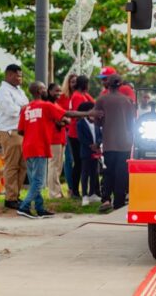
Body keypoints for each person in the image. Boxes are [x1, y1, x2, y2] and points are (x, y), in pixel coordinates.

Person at [16, 81, 96, 218]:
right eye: (44, 88)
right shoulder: (46, 105)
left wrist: (35, 130)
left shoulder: (26, 108)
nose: (46, 90)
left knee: (34, 180)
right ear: (39, 91)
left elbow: (20, 131)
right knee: (39, 182)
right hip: (39, 147)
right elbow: (68, 114)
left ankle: (39, 208)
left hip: (28, 147)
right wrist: (88, 112)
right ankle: (24, 207)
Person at [94, 74, 136, 212]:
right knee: (122, 173)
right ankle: (119, 202)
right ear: (121, 85)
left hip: (109, 142)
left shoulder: (101, 100)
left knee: (108, 172)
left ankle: (106, 199)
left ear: (108, 84)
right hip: (125, 142)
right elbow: (131, 122)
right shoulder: (127, 101)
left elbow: (97, 121)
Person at [0, 64, 29, 209]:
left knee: (22, 166)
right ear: (9, 75)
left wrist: (23, 108)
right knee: (12, 166)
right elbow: (12, 111)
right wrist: (24, 108)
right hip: (10, 131)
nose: (20, 79)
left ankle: (16, 195)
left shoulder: (19, 91)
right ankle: (10, 198)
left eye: (21, 76)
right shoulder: (3, 91)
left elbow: (25, 107)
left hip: (21, 131)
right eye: (17, 76)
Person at [67, 75, 94, 199]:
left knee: (81, 163)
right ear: (84, 84)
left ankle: (78, 190)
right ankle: (74, 190)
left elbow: (93, 103)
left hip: (78, 133)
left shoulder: (82, 95)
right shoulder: (77, 96)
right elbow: (79, 114)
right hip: (76, 133)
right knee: (79, 163)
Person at [76, 101, 103, 206]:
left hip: (95, 152)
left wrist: (98, 144)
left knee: (94, 173)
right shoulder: (80, 123)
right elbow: (80, 137)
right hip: (86, 152)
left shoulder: (97, 123)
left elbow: (100, 135)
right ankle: (85, 195)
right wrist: (90, 145)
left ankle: (92, 193)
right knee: (85, 173)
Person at [45, 82, 67, 199]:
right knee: (53, 165)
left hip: (61, 137)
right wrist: (64, 121)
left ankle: (57, 191)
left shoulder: (56, 104)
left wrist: (63, 120)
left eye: (60, 91)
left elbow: (63, 119)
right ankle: (53, 193)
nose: (59, 93)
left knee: (58, 166)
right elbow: (61, 121)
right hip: (53, 138)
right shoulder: (49, 104)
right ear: (49, 91)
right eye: (56, 91)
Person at [59, 72, 77, 197]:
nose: (74, 84)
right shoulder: (63, 97)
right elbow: (58, 112)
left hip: (79, 131)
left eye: (76, 82)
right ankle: (71, 188)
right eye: (72, 82)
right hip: (67, 131)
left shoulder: (81, 95)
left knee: (79, 160)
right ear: (68, 83)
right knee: (69, 159)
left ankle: (76, 187)